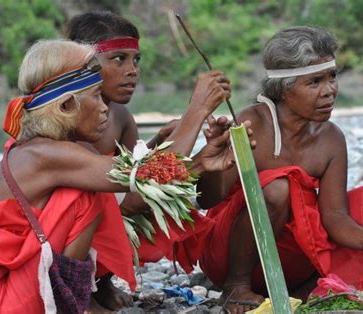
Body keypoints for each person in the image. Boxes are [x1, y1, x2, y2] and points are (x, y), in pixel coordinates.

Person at [0, 39, 247, 313]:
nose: (104, 108)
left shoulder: (53, 152)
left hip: (9, 285)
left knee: (94, 193)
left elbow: (137, 188)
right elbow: (149, 178)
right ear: (66, 106)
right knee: (82, 198)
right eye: (97, 96)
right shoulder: (47, 155)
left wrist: (200, 162)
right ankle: (71, 306)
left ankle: (76, 301)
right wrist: (197, 109)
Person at [197, 26, 363, 313]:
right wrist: (213, 159)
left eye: (332, 77)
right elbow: (207, 200)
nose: (330, 91)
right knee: (277, 187)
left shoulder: (331, 137)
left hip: (291, 253)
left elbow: (334, 215)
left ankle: (306, 284)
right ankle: (236, 288)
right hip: (232, 254)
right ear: (284, 90)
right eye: (314, 82)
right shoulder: (251, 123)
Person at [64, 11, 232, 309]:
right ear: (83, 64)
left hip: (115, 199)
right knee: (90, 204)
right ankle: (77, 293)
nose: (132, 70)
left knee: (155, 208)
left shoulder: (121, 116)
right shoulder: (65, 116)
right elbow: (133, 196)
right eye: (119, 59)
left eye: (136, 60)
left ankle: (99, 283)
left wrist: (169, 142)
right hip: (51, 235)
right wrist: (197, 111)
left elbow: (134, 174)